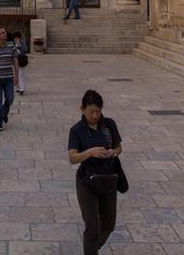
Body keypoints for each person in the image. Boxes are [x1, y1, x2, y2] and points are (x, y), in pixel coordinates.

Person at [67, 89, 123, 255]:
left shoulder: (109, 124)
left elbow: (119, 148)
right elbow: (73, 157)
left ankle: (92, 248)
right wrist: (90, 152)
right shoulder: (76, 130)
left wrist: (112, 152)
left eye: (98, 111)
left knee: (108, 226)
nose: (94, 115)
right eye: (91, 111)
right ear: (82, 109)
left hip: (109, 180)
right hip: (87, 181)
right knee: (92, 226)